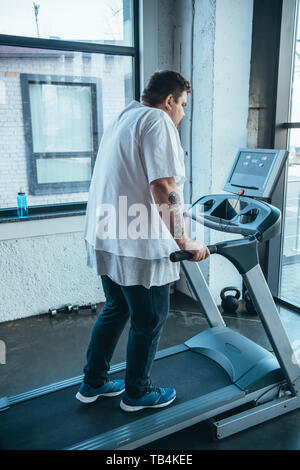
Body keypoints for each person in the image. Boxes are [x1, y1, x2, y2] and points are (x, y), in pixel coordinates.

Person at [76, 70, 210, 412]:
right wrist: (184, 241)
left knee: (117, 307)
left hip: (106, 235)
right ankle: (137, 393)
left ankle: (93, 382)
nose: (182, 112)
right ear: (169, 101)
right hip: (135, 243)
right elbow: (163, 186)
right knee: (149, 318)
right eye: (182, 104)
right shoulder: (157, 120)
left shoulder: (125, 116)